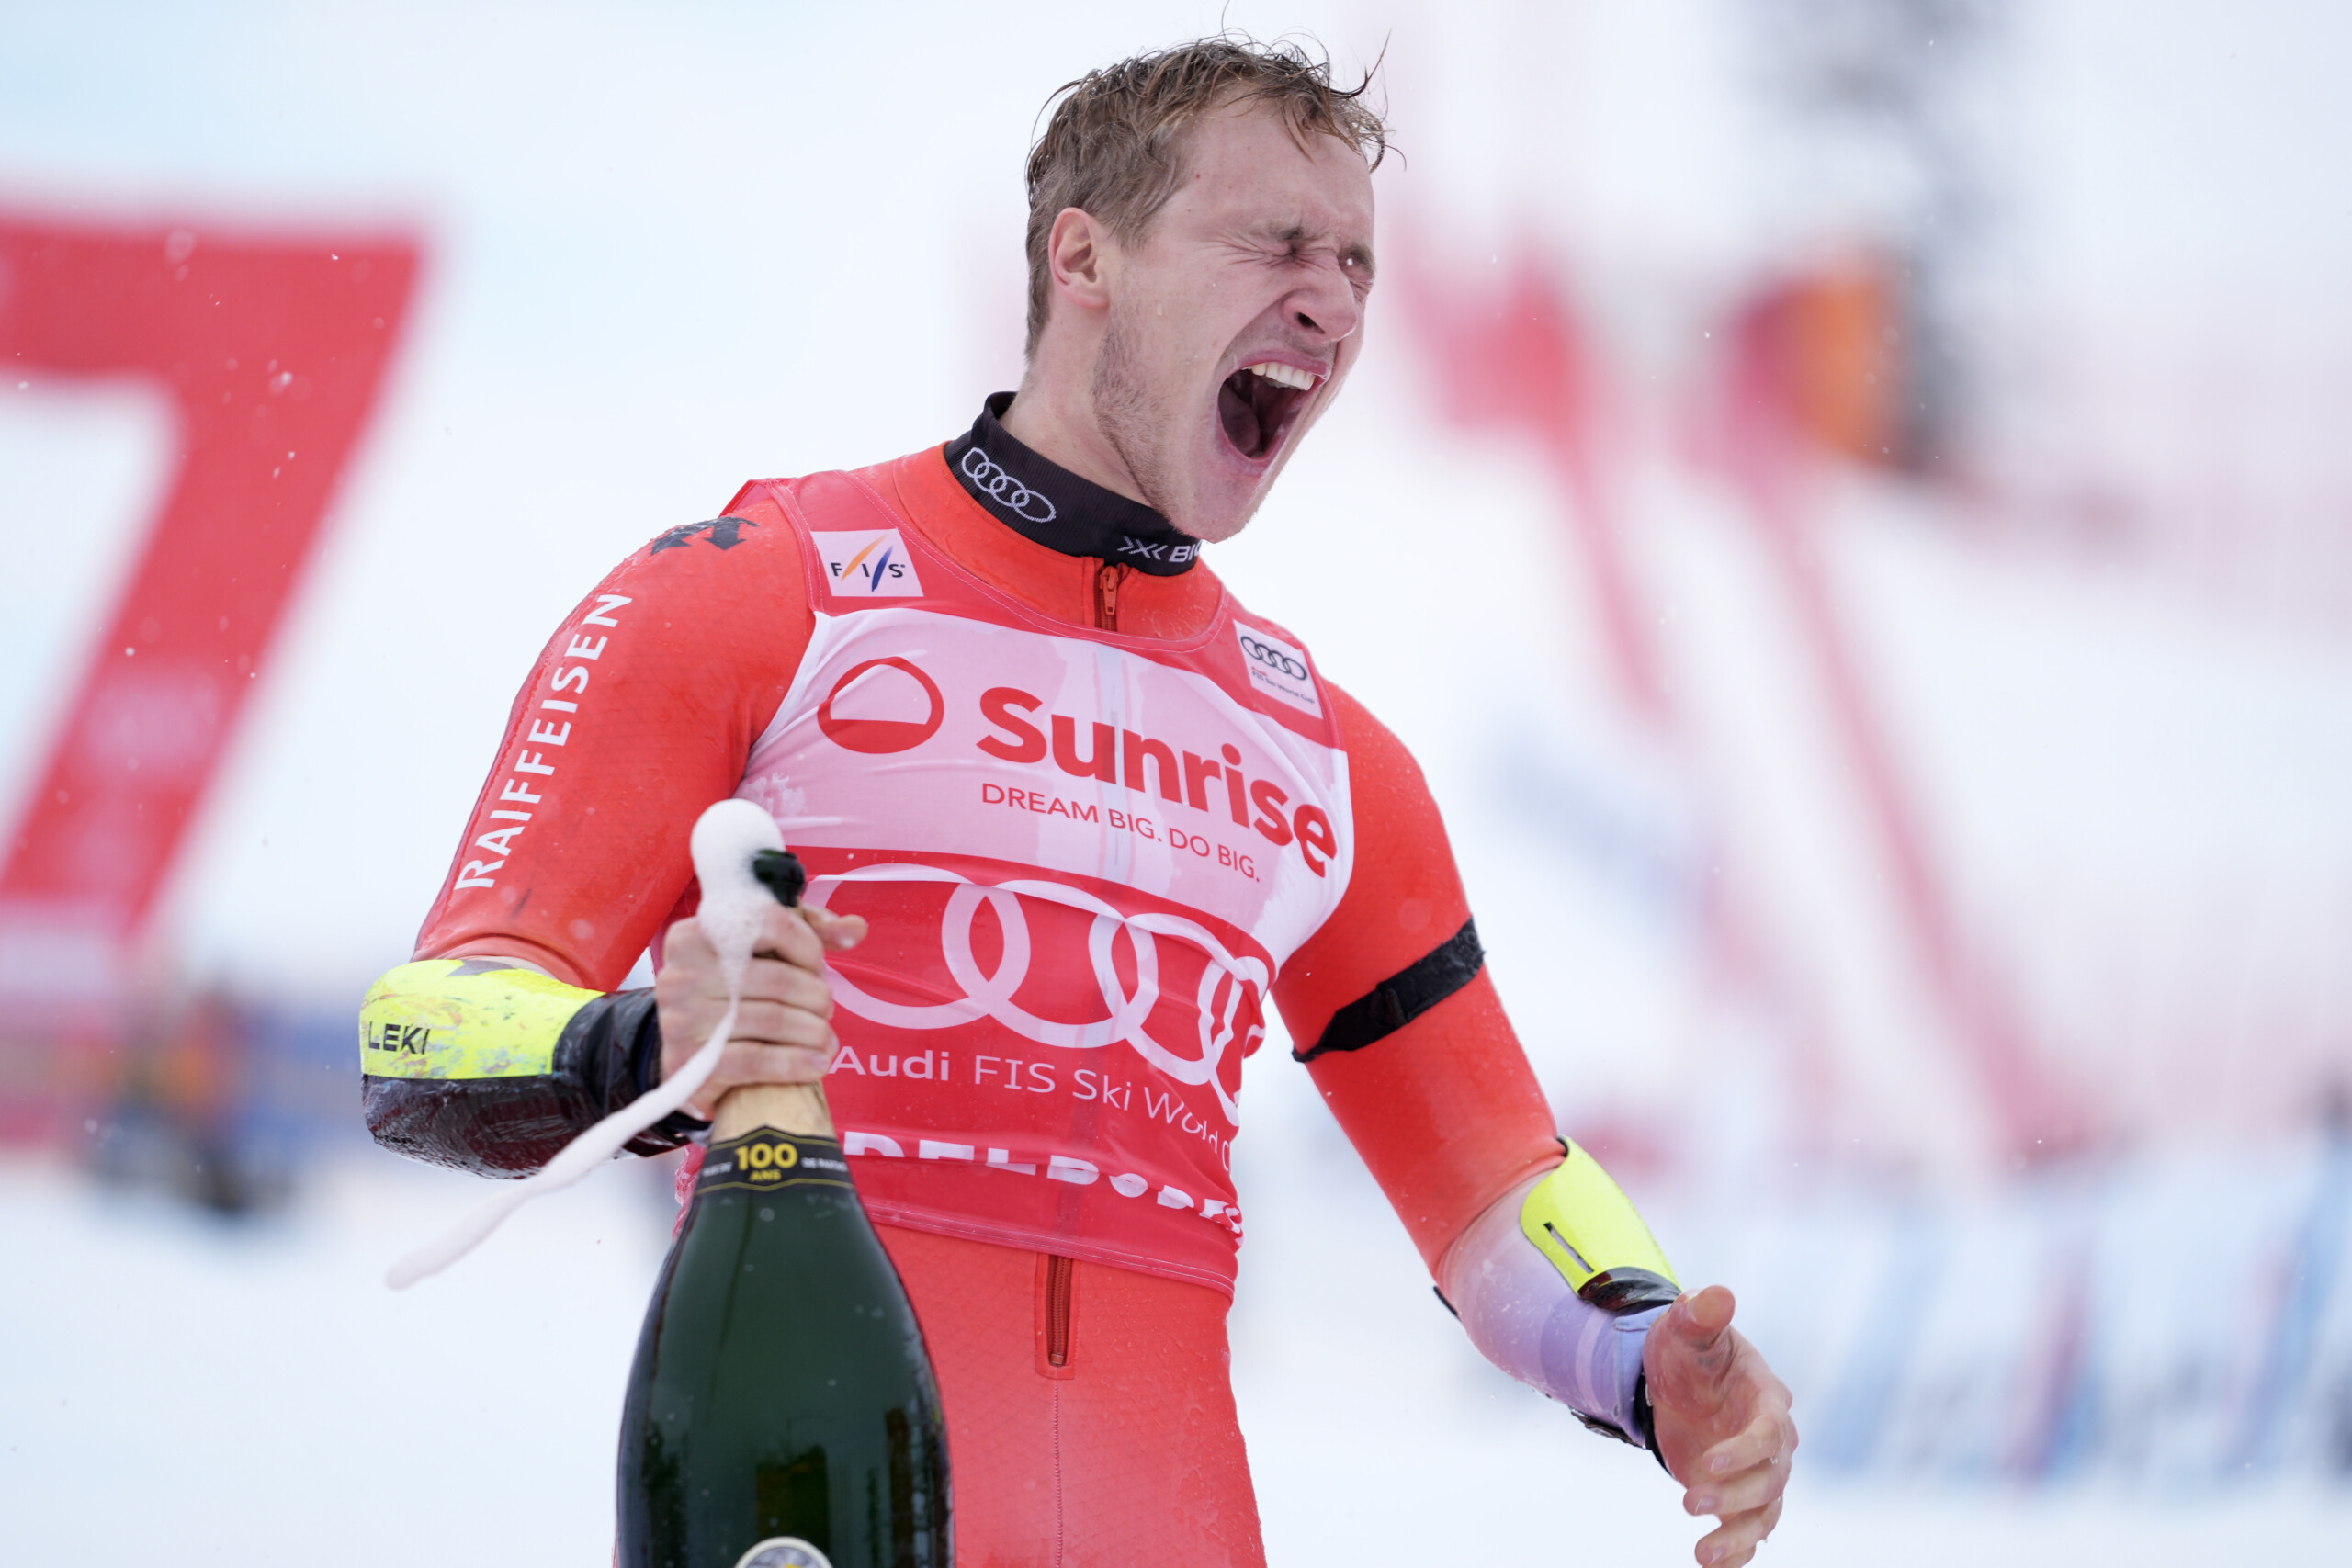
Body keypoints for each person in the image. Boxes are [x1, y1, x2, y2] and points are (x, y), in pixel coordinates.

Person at [358, 38, 1795, 1567]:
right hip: (825, 1517)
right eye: (1276, 243)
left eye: (1358, 263)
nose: (1334, 301)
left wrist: (1641, 1352)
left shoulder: (1327, 755)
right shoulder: (761, 593)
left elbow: (1498, 1189)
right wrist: (650, 1049)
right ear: (1084, 258)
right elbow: (417, 1035)